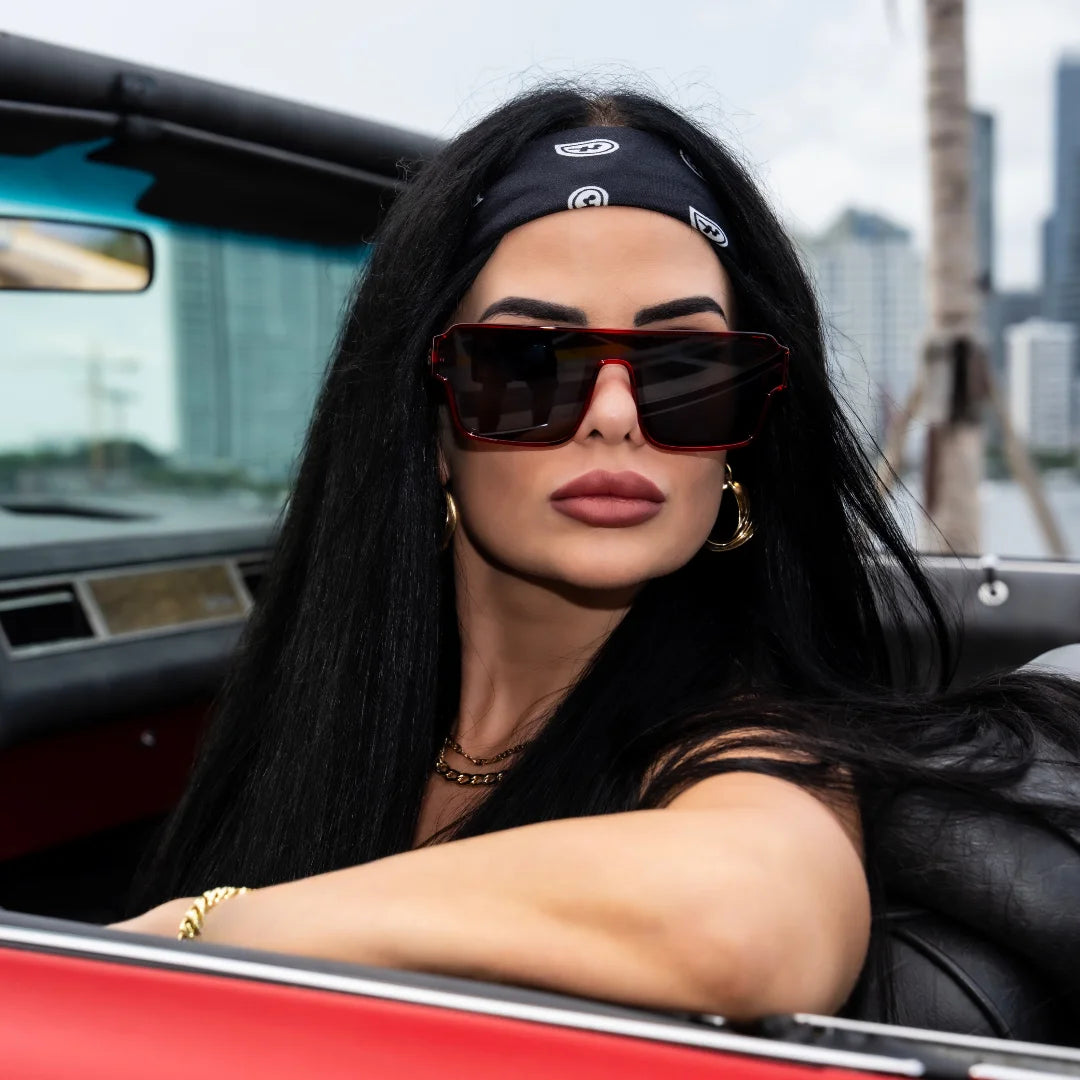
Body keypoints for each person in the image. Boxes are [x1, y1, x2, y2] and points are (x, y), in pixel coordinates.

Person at [115, 86, 1080, 1024]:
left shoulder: (748, 739)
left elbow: (747, 921)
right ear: (430, 423)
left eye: (687, 372)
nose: (616, 416)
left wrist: (205, 930)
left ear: (738, 442)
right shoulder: (325, 710)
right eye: (528, 364)